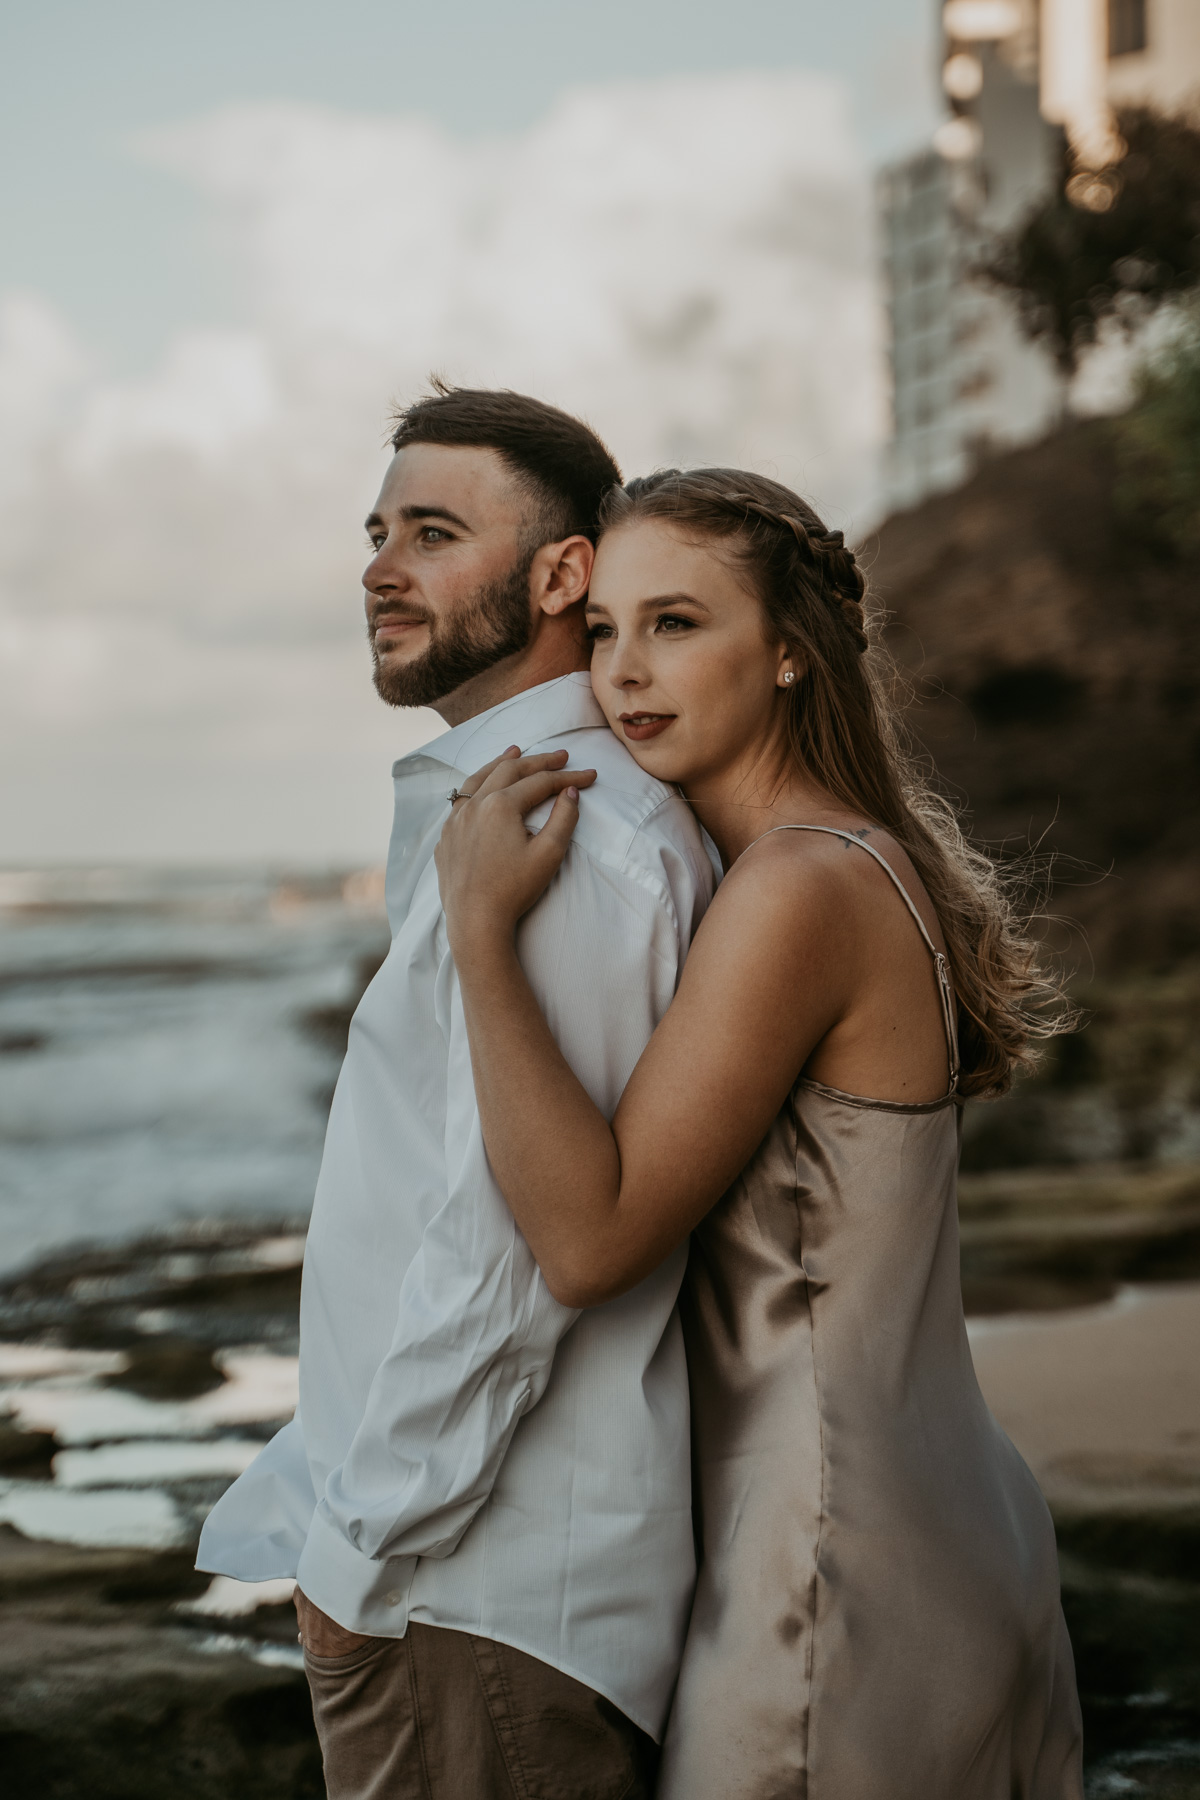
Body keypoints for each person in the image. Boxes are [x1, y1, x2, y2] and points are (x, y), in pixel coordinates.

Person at [434, 466, 1086, 1799]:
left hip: (830, 1550)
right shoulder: (841, 857)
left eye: (677, 623)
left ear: (790, 651)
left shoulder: (794, 886)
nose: (626, 672)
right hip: (947, 1507)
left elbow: (591, 1240)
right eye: (604, 630)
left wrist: (479, 935)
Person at [196, 388, 717, 1800]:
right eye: (377, 531)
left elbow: (515, 1257)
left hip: (473, 1596)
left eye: (434, 532)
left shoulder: (572, 833)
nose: (381, 567)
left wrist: (358, 1560)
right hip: (464, 1586)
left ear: (561, 575)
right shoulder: (508, 809)